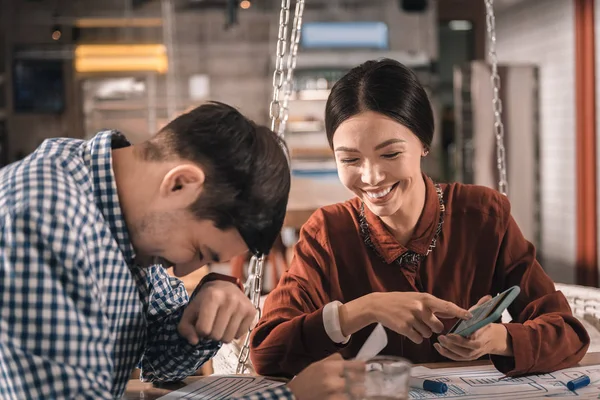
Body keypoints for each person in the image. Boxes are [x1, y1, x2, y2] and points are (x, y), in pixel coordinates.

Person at [249, 59, 590, 378]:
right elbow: (266, 351)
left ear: (424, 143)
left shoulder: (484, 215)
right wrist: (363, 310)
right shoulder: (328, 232)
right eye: (350, 160)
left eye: (391, 153)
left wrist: (498, 339)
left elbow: (568, 334)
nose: (371, 176)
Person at [0, 101, 363, 400]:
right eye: (198, 249)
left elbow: (159, 361)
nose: (181, 271)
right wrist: (289, 398)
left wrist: (205, 307)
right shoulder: (43, 216)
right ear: (180, 184)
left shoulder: (126, 219)